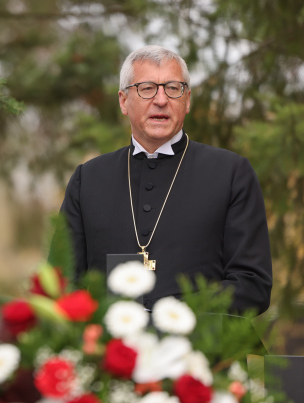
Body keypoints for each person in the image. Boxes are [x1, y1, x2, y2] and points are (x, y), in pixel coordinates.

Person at [58, 45, 272, 314]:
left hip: (200, 350)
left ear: (188, 100)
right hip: (112, 350)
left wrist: (176, 316)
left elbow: (253, 284)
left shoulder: (231, 174)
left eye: (173, 88)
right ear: (124, 101)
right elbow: (63, 284)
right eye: (147, 88)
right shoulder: (87, 180)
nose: (161, 100)